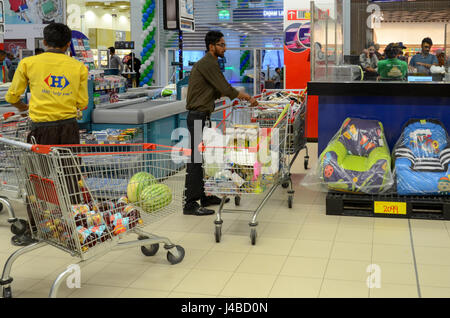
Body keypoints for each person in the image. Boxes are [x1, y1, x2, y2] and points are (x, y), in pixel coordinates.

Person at [5, 23, 89, 245]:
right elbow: (82, 102)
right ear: (68, 44)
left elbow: (12, 96)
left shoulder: (28, 63)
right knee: (71, 176)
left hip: (40, 131)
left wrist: (24, 107)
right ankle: (77, 224)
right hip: (69, 129)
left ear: (44, 42)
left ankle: (38, 228)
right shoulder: (78, 67)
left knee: (38, 179)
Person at [183, 30, 258, 216]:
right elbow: (225, 87)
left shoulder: (211, 63)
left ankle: (204, 196)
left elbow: (217, 90)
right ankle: (190, 204)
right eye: (222, 45)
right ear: (212, 46)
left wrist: (233, 96)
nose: (225, 48)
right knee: (195, 161)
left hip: (202, 116)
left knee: (204, 159)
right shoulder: (208, 63)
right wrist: (247, 97)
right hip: (197, 117)